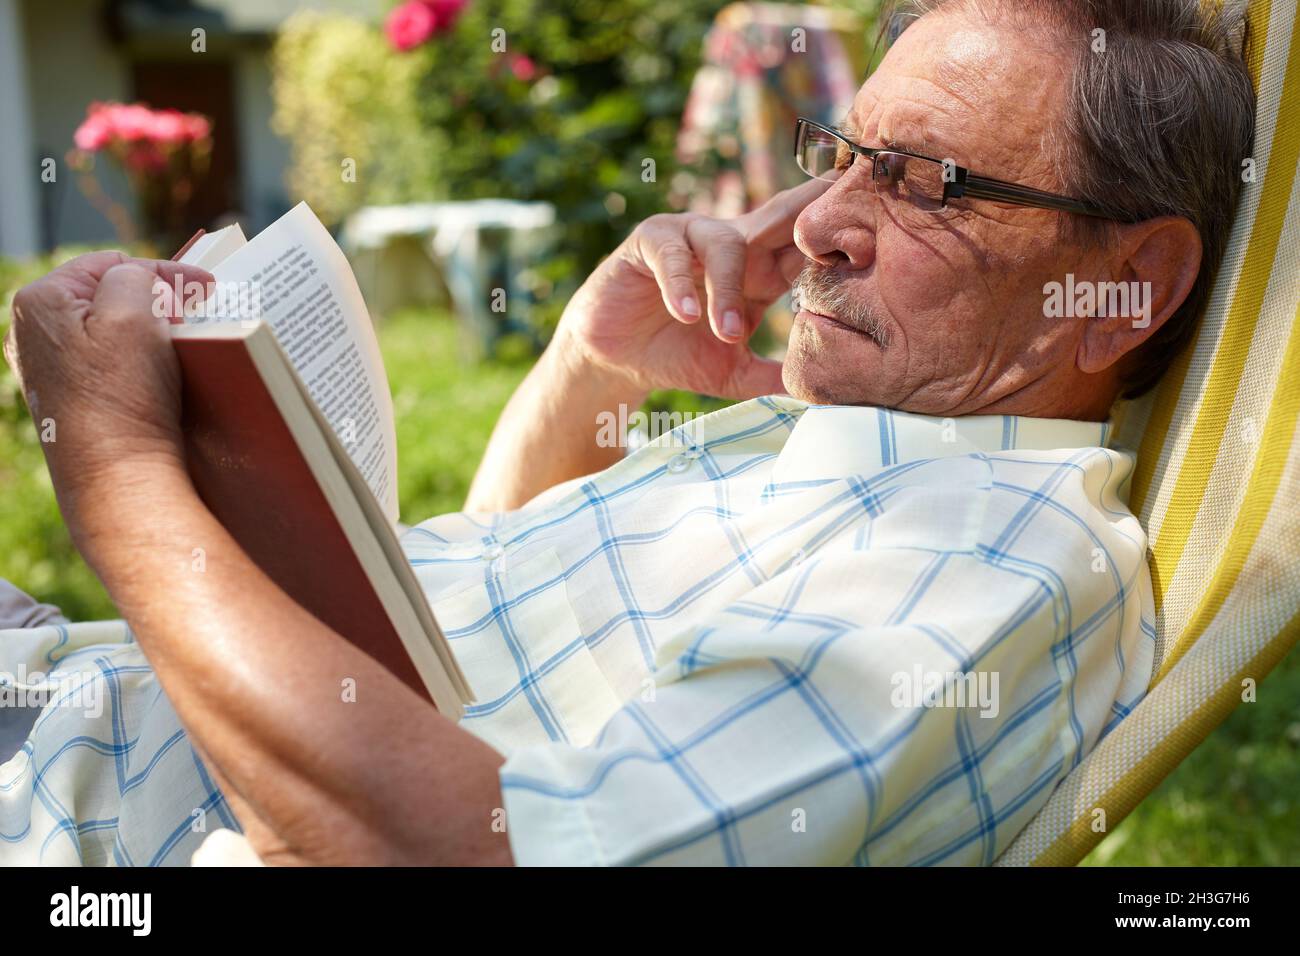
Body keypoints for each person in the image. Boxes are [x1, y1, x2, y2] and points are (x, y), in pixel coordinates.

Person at [0, 0, 1253, 865]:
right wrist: (586, 366)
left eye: (926, 183)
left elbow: (462, 853)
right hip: (63, 691)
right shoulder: (880, 430)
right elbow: (478, 625)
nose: (818, 223)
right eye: (845, 152)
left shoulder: (984, 568)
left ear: (1127, 285)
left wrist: (119, 475)